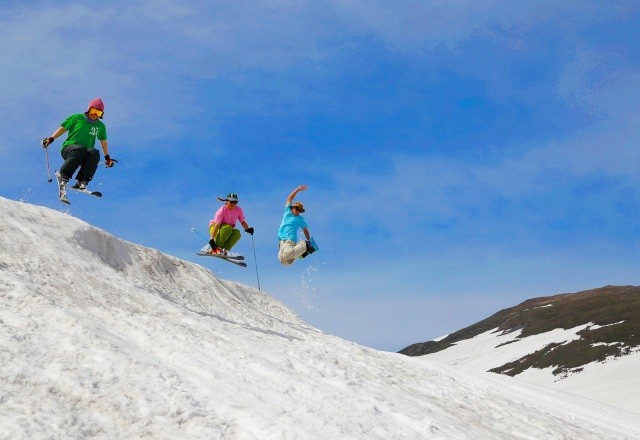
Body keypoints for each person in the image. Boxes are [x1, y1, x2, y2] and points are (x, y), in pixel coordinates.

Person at [41, 98, 115, 192]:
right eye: (93, 111)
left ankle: (82, 181)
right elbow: (63, 128)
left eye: (98, 113)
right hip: (69, 149)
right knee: (80, 149)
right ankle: (64, 176)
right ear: (89, 109)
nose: (95, 115)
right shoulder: (77, 118)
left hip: (84, 154)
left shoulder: (100, 126)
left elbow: (103, 142)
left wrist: (107, 158)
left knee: (94, 152)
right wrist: (51, 139)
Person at [277, 184, 315, 266]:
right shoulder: (287, 211)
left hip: (290, 240)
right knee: (285, 263)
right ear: (292, 208)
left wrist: (309, 241)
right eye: (297, 209)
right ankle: (301, 252)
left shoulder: (300, 219)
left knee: (286, 255)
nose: (298, 211)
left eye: (300, 210)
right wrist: (298, 189)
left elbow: (305, 230)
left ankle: (305, 245)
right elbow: (289, 198)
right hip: (281, 241)